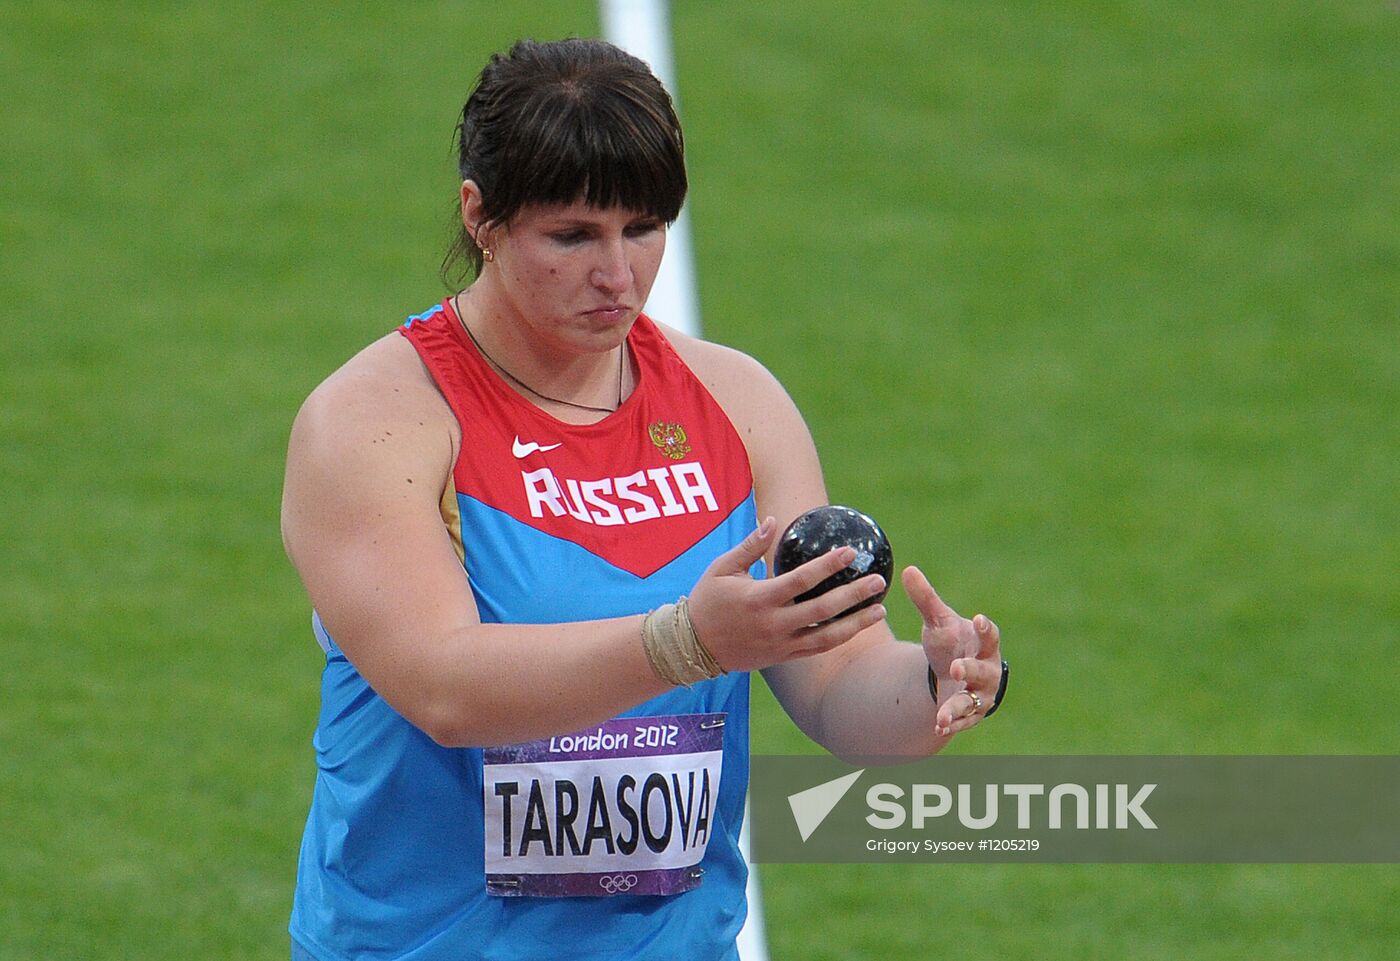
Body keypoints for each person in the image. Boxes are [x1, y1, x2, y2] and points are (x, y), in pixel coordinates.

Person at [281, 36, 1007, 961]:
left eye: (645, 227)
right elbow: (444, 685)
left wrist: (934, 683)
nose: (618, 275)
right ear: (480, 216)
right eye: (573, 235)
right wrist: (689, 642)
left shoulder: (738, 404)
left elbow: (836, 687)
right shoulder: (378, 420)